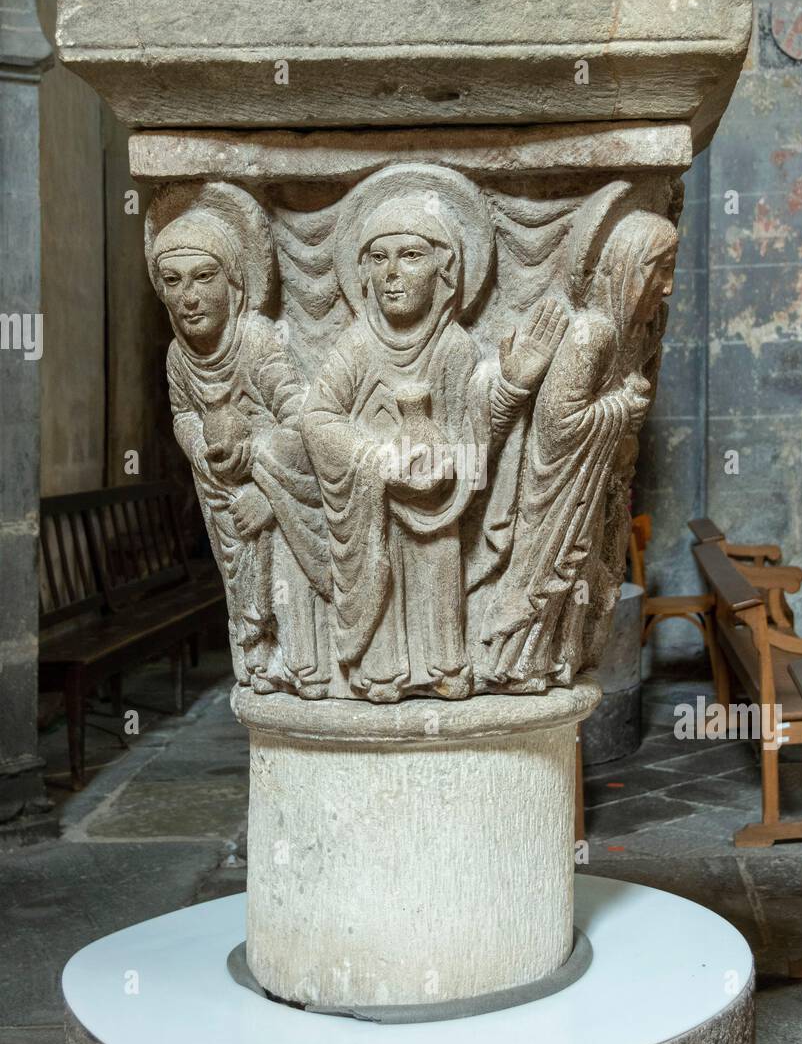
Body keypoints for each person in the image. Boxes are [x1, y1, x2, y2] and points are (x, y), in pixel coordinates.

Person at [301, 189, 565, 703]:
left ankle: (445, 665)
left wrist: (510, 388)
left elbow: (476, 433)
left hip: (439, 504)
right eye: (379, 258)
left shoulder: (454, 348)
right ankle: (381, 672)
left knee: (436, 569)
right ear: (362, 274)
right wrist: (376, 460)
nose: (392, 273)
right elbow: (316, 415)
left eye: (411, 255)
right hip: (373, 502)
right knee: (386, 578)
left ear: (445, 273)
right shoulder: (357, 345)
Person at [481, 207, 678, 691]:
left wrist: (625, 410)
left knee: (588, 577)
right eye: (661, 270)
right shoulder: (593, 332)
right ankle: (514, 663)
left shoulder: (642, 330)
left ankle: (558, 660)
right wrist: (620, 406)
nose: (668, 287)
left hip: (600, 484)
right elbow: (556, 424)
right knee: (549, 574)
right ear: (631, 267)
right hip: (559, 490)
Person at [147, 185, 331, 696]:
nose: (189, 296)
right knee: (243, 589)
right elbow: (184, 412)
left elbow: (305, 422)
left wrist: (269, 493)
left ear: (234, 282)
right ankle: (257, 660)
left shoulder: (256, 341)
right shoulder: (178, 358)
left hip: (276, 499)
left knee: (283, 586)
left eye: (204, 278)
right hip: (221, 494)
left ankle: (300, 663)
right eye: (173, 281)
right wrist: (202, 442)